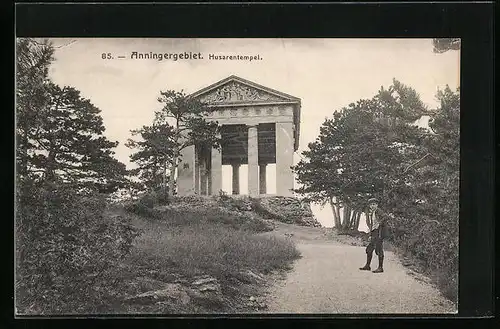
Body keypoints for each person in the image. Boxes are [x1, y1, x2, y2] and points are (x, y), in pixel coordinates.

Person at [359, 198, 390, 273]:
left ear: (377, 205)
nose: (372, 206)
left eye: (374, 204)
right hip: (374, 232)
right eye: (371, 204)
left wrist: (380, 223)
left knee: (379, 249)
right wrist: (370, 234)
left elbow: (386, 217)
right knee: (369, 249)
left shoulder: (378, 211)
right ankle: (367, 265)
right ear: (369, 206)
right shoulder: (372, 213)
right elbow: (372, 226)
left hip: (379, 232)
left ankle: (380, 267)